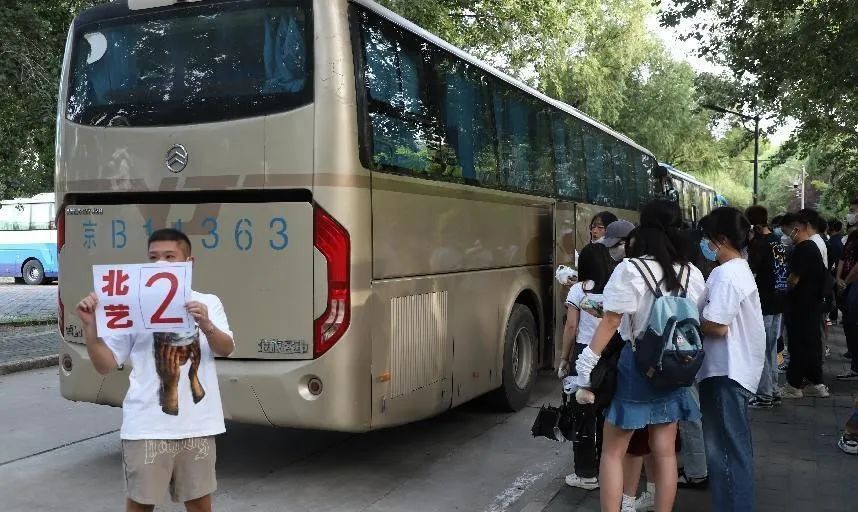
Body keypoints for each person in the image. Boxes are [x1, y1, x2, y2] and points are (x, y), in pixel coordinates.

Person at [74, 229, 235, 512]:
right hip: (146, 426)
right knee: (140, 505)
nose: (161, 263)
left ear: (189, 262)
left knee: (200, 505)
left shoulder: (208, 302)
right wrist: (91, 328)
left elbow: (226, 348)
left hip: (198, 425)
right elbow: (105, 364)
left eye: (170, 256)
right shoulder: (130, 305)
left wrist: (206, 323)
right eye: (153, 257)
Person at [574, 199, 705, 512]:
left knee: (613, 451)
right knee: (665, 452)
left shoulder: (631, 269)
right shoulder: (691, 272)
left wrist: (586, 366)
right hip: (675, 367)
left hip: (637, 366)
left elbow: (611, 320)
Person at [697, 208, 766, 512]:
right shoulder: (738, 268)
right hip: (735, 369)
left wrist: (690, 320)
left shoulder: (726, 273)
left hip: (725, 371)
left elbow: (717, 324)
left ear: (722, 239)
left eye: (707, 238)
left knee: (724, 452)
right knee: (735, 448)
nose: (705, 244)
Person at [558, 243, 615, 490]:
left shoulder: (578, 291)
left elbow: (571, 327)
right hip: (610, 354)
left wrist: (564, 358)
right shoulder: (615, 289)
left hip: (584, 354)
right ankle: (607, 469)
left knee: (582, 414)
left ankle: (585, 473)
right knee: (607, 413)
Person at [779, 211, 831, 399]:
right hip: (812, 304)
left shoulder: (803, 248)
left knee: (798, 344)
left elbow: (794, 279)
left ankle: (793, 385)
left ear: (798, 227)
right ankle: (816, 383)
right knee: (811, 344)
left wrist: (783, 288)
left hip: (801, 305)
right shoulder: (812, 247)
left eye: (788, 231)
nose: (787, 235)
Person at [746, 205, 788, 408]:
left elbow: (751, 271)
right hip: (778, 301)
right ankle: (773, 390)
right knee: (770, 348)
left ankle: (764, 394)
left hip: (763, 301)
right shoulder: (776, 241)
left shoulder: (759, 243)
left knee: (761, 349)